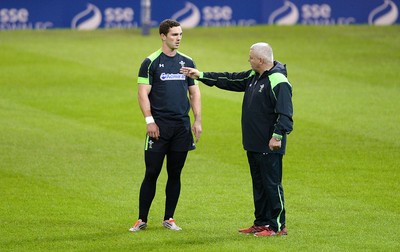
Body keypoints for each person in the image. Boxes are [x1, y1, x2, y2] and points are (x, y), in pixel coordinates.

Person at [180, 42, 293, 236]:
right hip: (253, 142)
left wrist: (277, 136)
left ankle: (277, 226)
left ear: (260, 60)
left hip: (269, 143)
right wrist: (202, 75)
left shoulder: (278, 81)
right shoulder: (253, 76)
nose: (248, 60)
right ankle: (261, 222)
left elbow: (286, 114)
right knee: (259, 184)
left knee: (272, 184)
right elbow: (230, 79)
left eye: (250, 57)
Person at [129, 19, 202, 232]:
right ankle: (141, 219)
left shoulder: (187, 62)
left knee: (175, 173)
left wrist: (197, 120)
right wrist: (149, 121)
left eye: (180, 34)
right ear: (163, 36)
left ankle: (169, 218)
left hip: (181, 127)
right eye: (174, 35)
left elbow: (194, 92)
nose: (178, 38)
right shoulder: (150, 62)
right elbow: (143, 93)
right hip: (158, 128)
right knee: (151, 172)